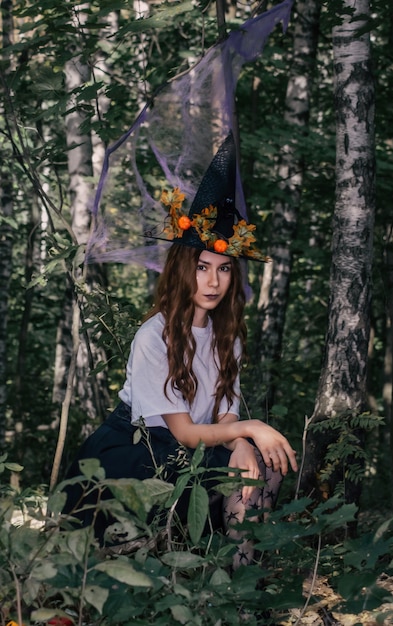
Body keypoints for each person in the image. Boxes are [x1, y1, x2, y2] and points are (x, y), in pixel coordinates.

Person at [62, 133, 298, 569]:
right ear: (182, 271)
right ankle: (212, 576)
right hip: (138, 452)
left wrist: (242, 440)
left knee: (266, 466)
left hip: (188, 447)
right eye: (202, 268)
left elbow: (224, 414)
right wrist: (250, 428)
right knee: (239, 461)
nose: (213, 282)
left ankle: (240, 580)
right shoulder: (156, 335)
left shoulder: (231, 337)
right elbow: (186, 433)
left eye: (224, 269)